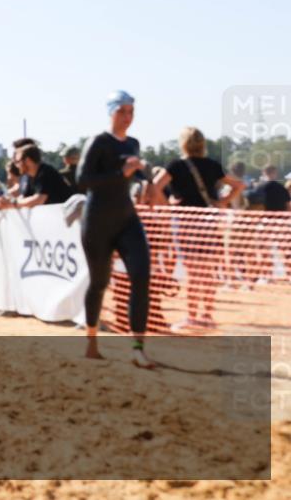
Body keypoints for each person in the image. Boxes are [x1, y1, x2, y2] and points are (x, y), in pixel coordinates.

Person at [76, 90, 153, 368]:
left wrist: (146, 180)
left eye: (131, 111)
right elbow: (83, 179)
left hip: (126, 219)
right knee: (99, 283)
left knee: (142, 275)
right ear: (110, 112)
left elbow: (138, 173)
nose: (127, 117)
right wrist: (122, 174)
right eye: (122, 111)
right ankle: (91, 340)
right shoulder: (98, 142)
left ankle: (137, 349)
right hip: (97, 221)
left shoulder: (133, 143)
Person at [152, 127, 244, 330]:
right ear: (203, 144)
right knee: (208, 271)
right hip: (209, 221)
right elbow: (239, 185)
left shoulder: (176, 165)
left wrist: (167, 207)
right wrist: (223, 202)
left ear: (182, 143)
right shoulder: (213, 165)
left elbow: (155, 186)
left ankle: (192, 316)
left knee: (193, 272)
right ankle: (207, 315)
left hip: (186, 222)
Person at [0, 144, 72, 209]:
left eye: (18, 162)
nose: (17, 166)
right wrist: (6, 202)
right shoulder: (29, 177)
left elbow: (39, 199)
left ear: (28, 160)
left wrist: (13, 204)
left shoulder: (46, 172)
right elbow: (23, 198)